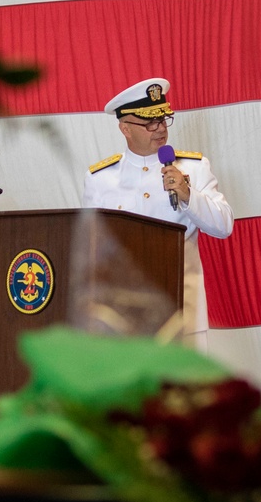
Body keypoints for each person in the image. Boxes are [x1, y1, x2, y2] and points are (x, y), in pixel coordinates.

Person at [83, 78, 234, 346]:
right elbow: (91, 248)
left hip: (181, 310)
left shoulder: (194, 168)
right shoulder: (100, 179)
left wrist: (189, 195)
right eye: (150, 122)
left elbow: (223, 226)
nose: (160, 128)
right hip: (124, 318)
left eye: (164, 119)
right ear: (125, 128)